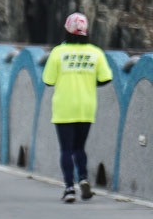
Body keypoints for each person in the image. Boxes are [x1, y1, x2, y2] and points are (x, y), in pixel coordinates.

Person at [42, 12, 113, 203]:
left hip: (64, 106)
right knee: (79, 147)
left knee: (66, 149)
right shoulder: (95, 52)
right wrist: (89, 84)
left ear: (67, 30)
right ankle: (82, 177)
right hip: (86, 106)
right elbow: (106, 78)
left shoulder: (58, 52)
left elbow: (48, 80)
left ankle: (69, 188)